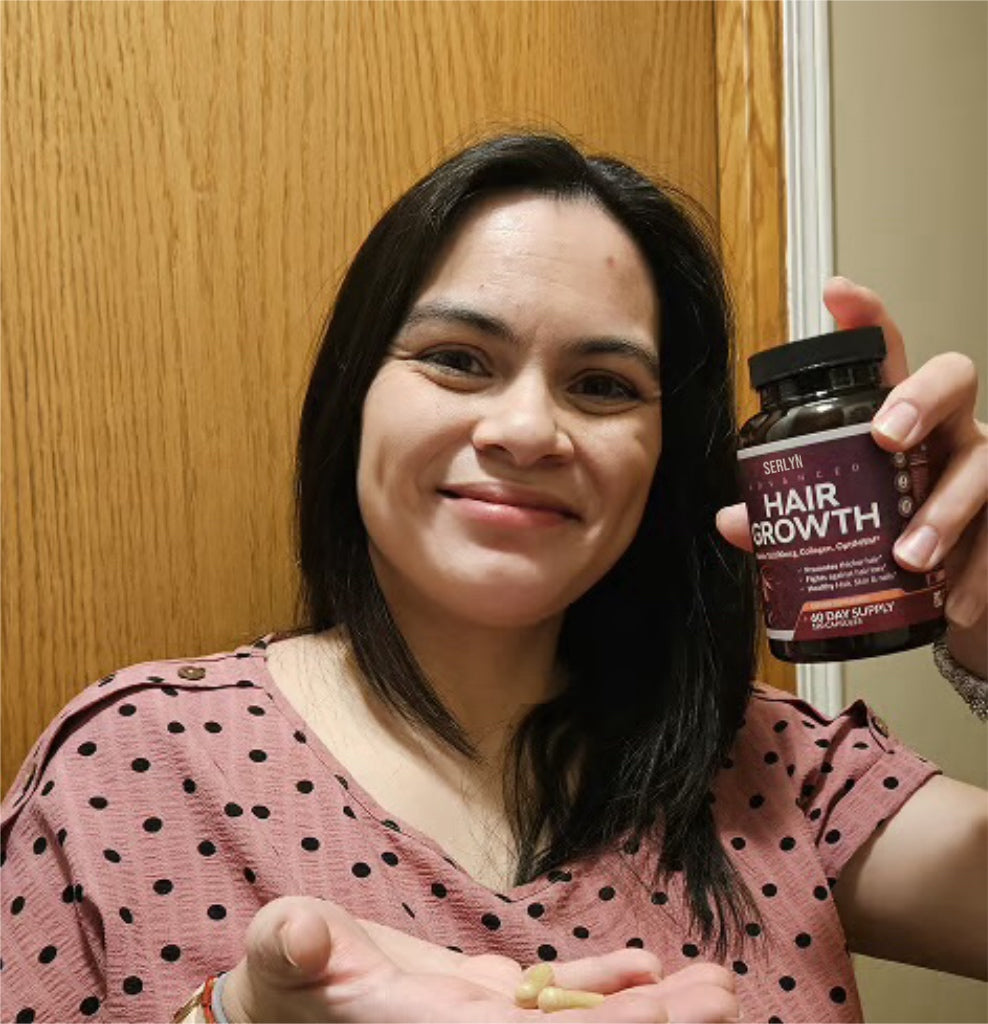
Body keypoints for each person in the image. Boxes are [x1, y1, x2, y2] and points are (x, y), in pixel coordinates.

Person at [1, 133, 985, 1024]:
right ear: (354, 396)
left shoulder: (773, 768)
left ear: (664, 457)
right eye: (458, 360)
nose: (524, 430)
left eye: (600, 385)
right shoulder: (132, 769)